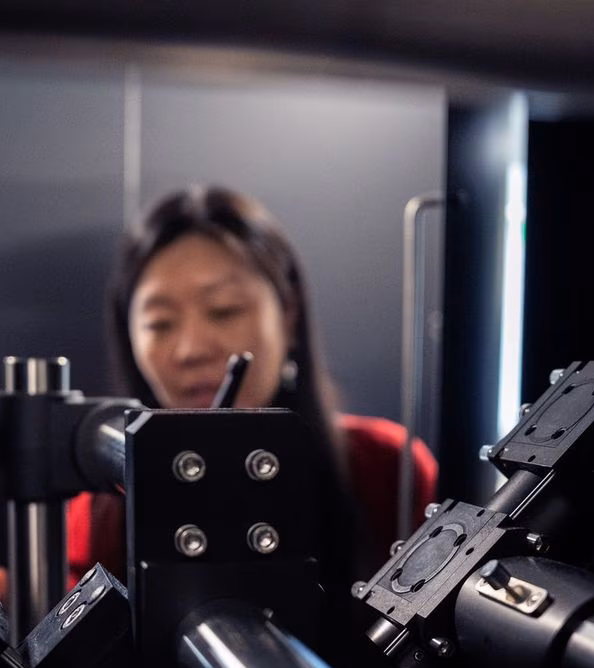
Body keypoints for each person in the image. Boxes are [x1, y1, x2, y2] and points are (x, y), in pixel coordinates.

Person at [42, 185, 437, 599]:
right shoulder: (98, 512)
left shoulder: (386, 470)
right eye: (160, 323)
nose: (191, 349)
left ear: (287, 314)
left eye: (224, 311)